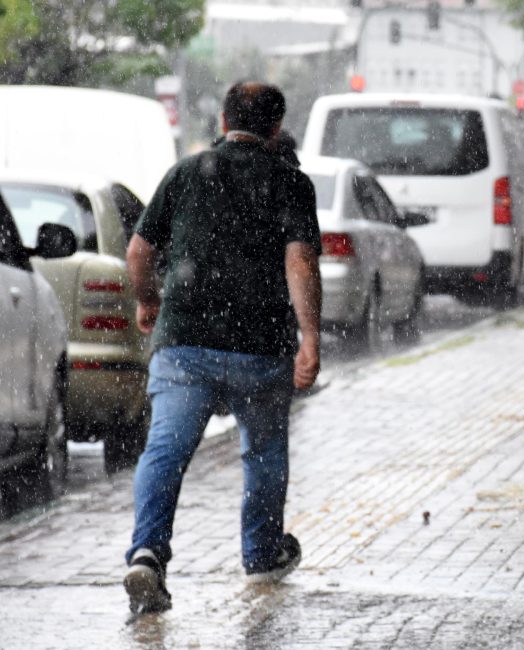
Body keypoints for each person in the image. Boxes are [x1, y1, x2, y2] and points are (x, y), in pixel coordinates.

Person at [122, 81, 322, 614]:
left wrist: (148, 302)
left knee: (166, 448)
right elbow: (300, 262)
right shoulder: (290, 182)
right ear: (275, 128)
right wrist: (311, 336)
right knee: (262, 452)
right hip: (260, 346)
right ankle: (261, 554)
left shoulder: (187, 173)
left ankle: (147, 553)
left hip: (184, 340)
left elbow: (139, 252)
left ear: (223, 117)